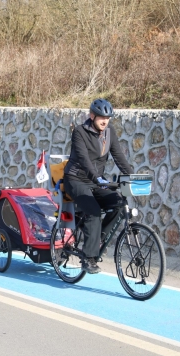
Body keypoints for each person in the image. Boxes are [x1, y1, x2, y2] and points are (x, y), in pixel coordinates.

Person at [63, 99, 134, 274]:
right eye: (101, 117)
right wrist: (96, 178)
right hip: (76, 179)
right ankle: (88, 258)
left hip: (97, 181)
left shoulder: (109, 132)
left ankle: (98, 240)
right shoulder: (80, 132)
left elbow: (118, 156)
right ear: (92, 115)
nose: (105, 121)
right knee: (93, 211)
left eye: (108, 117)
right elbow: (83, 159)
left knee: (118, 203)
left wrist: (132, 175)